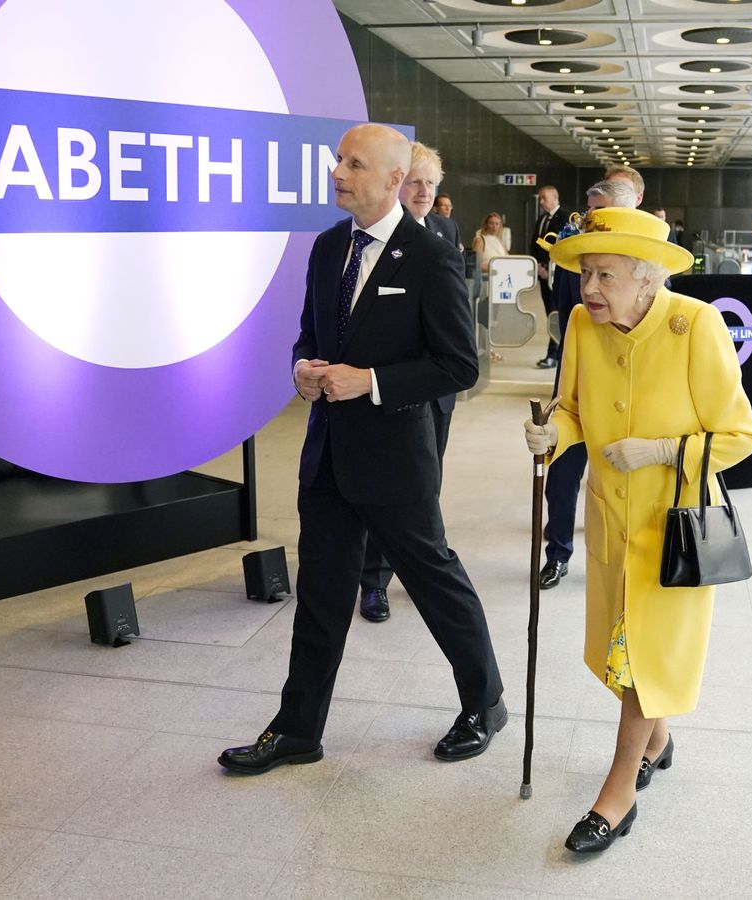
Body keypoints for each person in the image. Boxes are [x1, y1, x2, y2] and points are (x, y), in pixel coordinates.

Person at [219, 124, 506, 775]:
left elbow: (459, 365)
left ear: (390, 181)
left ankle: (485, 703)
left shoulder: (429, 256)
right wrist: (302, 369)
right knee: (320, 594)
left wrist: (371, 382)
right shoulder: (326, 249)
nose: (337, 172)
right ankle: (297, 730)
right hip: (327, 457)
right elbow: (308, 335)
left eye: (354, 163)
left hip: (396, 461)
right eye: (338, 160)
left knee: (434, 583)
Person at [522, 207, 752, 855]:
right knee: (622, 656)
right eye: (584, 274)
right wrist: (553, 434)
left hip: (674, 530)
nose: (588, 288)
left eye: (604, 275)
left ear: (647, 281)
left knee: (644, 660)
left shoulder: (694, 326)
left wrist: (659, 451)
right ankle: (659, 741)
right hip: (609, 519)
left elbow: (740, 438)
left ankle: (617, 791)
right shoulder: (579, 324)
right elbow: (570, 408)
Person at [357, 140, 465, 623]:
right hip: (386, 395)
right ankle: (374, 581)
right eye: (416, 182)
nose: (424, 192)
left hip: (436, 393)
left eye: (431, 184)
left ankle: (421, 573)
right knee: (381, 492)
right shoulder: (372, 242)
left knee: (425, 487)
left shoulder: (444, 232)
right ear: (396, 183)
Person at [537, 177, 639, 591]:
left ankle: (631, 558)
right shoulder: (573, 252)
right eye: (588, 212)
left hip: (634, 380)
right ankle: (557, 554)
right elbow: (568, 312)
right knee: (562, 469)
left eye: (601, 214)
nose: (589, 222)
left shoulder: (645, 261)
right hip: (579, 373)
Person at [533, 185, 569, 369]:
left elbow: (564, 245)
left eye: (544, 198)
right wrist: (538, 266)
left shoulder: (564, 217)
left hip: (556, 274)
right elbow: (535, 244)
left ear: (555, 198)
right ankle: (553, 353)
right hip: (542, 274)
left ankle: (554, 354)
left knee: (556, 314)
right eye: (540, 198)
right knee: (549, 314)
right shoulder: (541, 219)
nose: (541, 202)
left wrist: (550, 268)